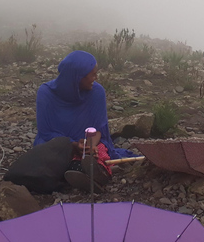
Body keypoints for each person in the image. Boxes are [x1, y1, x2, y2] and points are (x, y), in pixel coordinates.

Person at [33, 50, 134, 192]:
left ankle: (89, 172)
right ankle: (82, 171)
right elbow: (45, 132)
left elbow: (99, 129)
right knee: (47, 151)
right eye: (92, 74)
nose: (96, 77)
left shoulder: (97, 92)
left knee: (99, 151)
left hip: (88, 142)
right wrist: (73, 145)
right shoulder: (46, 93)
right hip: (57, 143)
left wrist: (89, 147)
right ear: (77, 77)